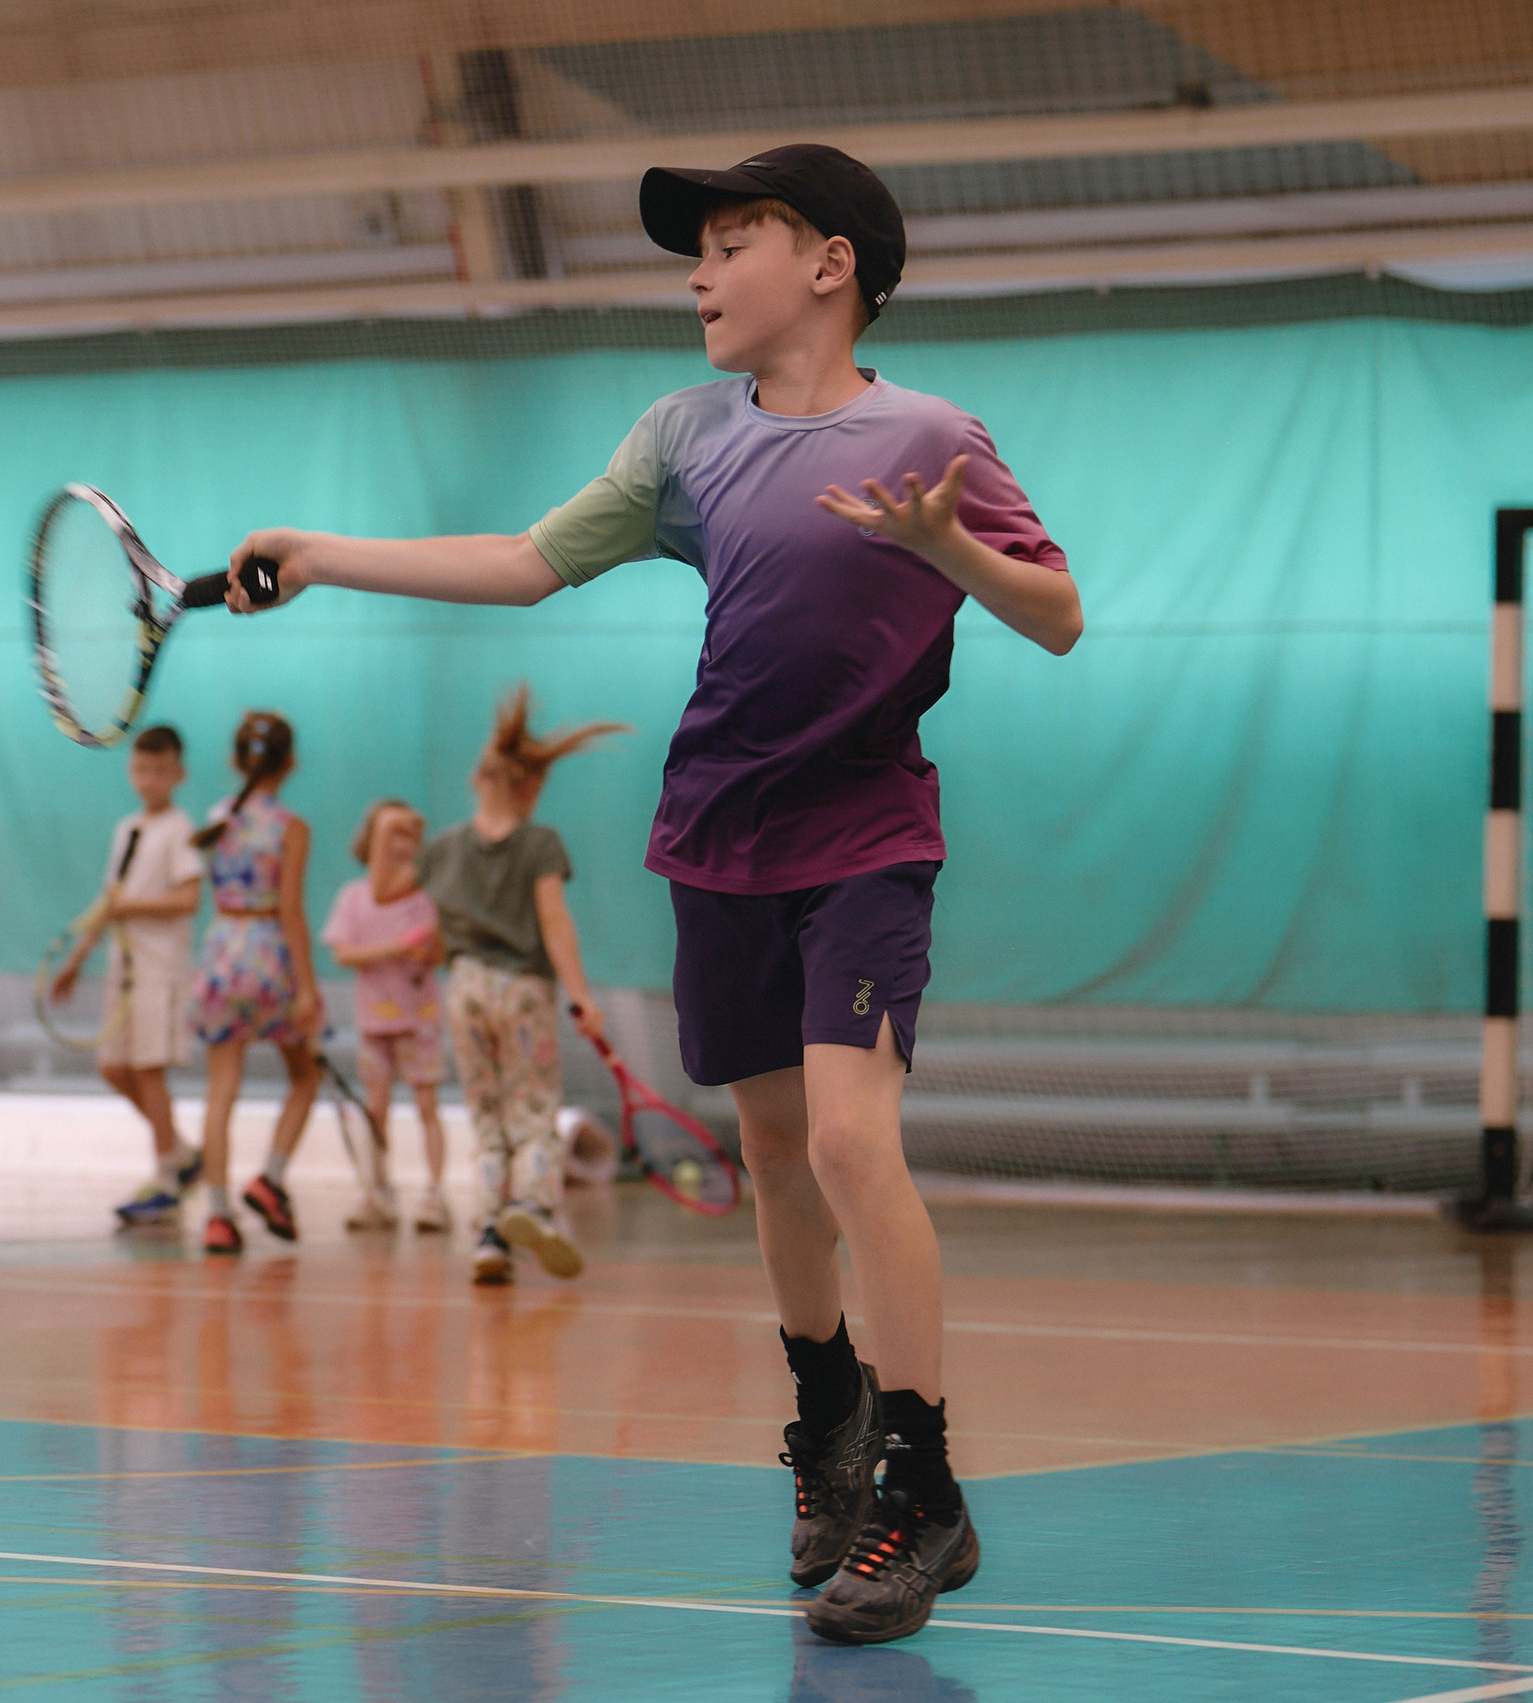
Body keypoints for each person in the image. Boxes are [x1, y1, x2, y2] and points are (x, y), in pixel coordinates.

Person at [223, 145, 1080, 1643]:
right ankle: (827, 1416)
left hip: (865, 834)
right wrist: (322, 556)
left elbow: (1058, 613)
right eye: (698, 251)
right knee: (774, 1151)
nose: (698, 275)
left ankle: (925, 1485)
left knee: (849, 1139)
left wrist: (949, 545)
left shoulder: (932, 435)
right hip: (716, 837)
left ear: (830, 265)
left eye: (731, 243)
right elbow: (524, 560)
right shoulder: (684, 434)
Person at [417, 689, 621, 1284]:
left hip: (465, 988)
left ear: (477, 780)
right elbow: (554, 921)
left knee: (486, 1116)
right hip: (523, 990)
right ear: (527, 785)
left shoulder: (444, 848)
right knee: (532, 1109)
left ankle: (489, 1233)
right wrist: (581, 995)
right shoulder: (540, 843)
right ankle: (530, 1207)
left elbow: (415, 913)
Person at [49, 724, 206, 1226]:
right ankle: (182, 1156)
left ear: (178, 774)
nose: (150, 779)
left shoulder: (180, 830)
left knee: (148, 1069)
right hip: (124, 969)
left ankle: (166, 1180)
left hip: (159, 970)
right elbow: (110, 900)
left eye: (160, 770)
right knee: (113, 1068)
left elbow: (188, 898)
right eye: (142, 769)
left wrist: (130, 909)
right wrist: (78, 958)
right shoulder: (127, 829)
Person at [185, 711, 322, 1255]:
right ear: (291, 763)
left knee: (221, 1091)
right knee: (305, 1076)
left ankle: (217, 1216)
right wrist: (307, 986)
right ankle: (271, 1178)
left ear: (234, 760)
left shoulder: (216, 819)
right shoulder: (291, 827)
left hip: (221, 952)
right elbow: (290, 908)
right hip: (269, 957)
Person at [320, 798, 452, 1234]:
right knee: (375, 1108)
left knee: (427, 1104)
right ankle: (376, 1192)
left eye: (407, 835)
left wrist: (427, 949)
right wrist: (394, 947)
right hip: (374, 1023)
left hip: (420, 1020)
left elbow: (440, 952)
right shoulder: (353, 897)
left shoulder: (426, 897)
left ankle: (435, 1194)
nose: (399, 844)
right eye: (389, 834)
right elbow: (344, 953)